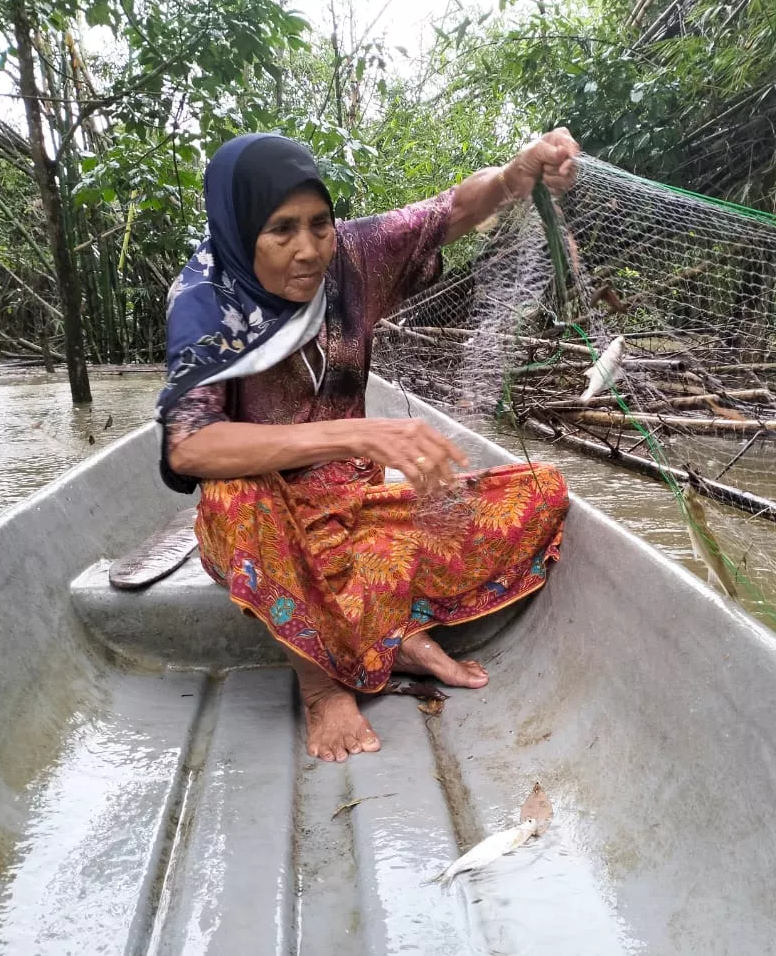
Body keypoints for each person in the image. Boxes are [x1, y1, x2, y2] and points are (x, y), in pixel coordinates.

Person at [157, 129, 580, 762]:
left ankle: (388, 631)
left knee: (538, 494)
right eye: (281, 231)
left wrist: (516, 173)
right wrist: (359, 432)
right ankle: (323, 685)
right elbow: (190, 447)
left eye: (319, 225)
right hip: (268, 521)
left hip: (356, 508)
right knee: (234, 501)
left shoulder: (350, 258)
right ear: (240, 231)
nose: (308, 251)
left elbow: (449, 212)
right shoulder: (204, 301)